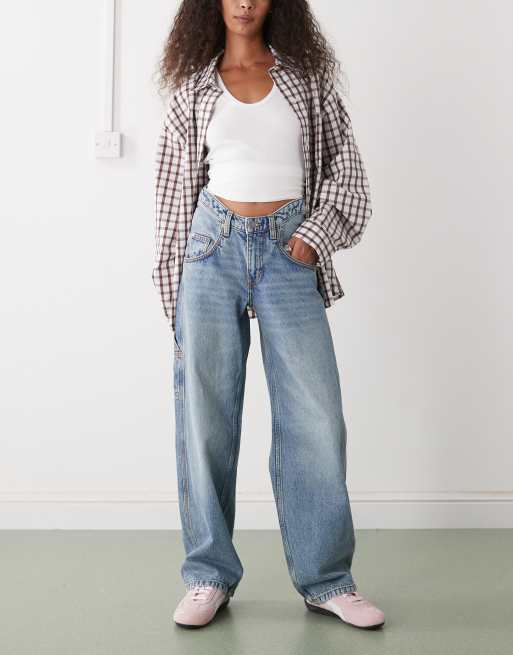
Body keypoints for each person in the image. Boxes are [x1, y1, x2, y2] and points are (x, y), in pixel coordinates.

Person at [153, 0, 385, 630]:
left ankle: (327, 580)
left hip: (290, 251)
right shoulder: (191, 90)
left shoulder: (308, 82)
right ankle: (208, 574)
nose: (244, 2)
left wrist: (313, 236)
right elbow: (171, 200)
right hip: (210, 250)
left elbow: (349, 179)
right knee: (204, 416)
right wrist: (175, 297)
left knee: (316, 416)